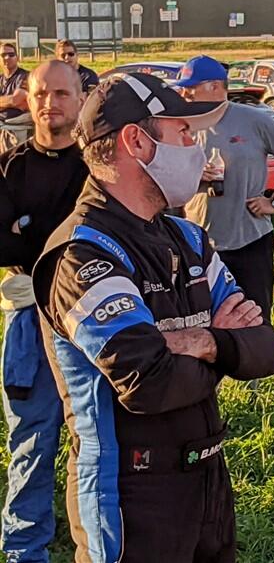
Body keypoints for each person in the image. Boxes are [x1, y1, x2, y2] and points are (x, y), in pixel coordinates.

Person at [31, 73, 274, 562]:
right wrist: (221, 343)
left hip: (207, 480)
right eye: (183, 134)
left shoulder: (187, 238)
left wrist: (203, 341)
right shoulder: (82, 254)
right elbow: (149, 384)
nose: (196, 148)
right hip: (129, 496)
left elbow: (266, 349)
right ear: (136, 141)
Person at [0, 60, 88, 563]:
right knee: (31, 439)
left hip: (87, 319)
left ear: (79, 100)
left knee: (95, 438)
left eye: (60, 92)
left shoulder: (97, 169)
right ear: (26, 100)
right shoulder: (9, 167)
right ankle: (23, 550)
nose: (49, 102)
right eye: (39, 93)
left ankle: (95, 541)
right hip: (28, 323)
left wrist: (26, 232)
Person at [177, 55, 274, 319]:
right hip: (198, 245)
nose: (184, 93)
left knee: (255, 319)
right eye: (183, 87)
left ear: (215, 86)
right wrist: (190, 174)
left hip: (249, 242)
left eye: (191, 87)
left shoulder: (252, 120)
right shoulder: (180, 124)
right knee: (202, 320)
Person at [0, 43, 28, 122]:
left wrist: (12, 102)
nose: (7, 57)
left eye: (11, 54)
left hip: (17, 123)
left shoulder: (26, 76)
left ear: (17, 58)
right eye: (3, 55)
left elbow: (16, 100)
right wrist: (8, 103)